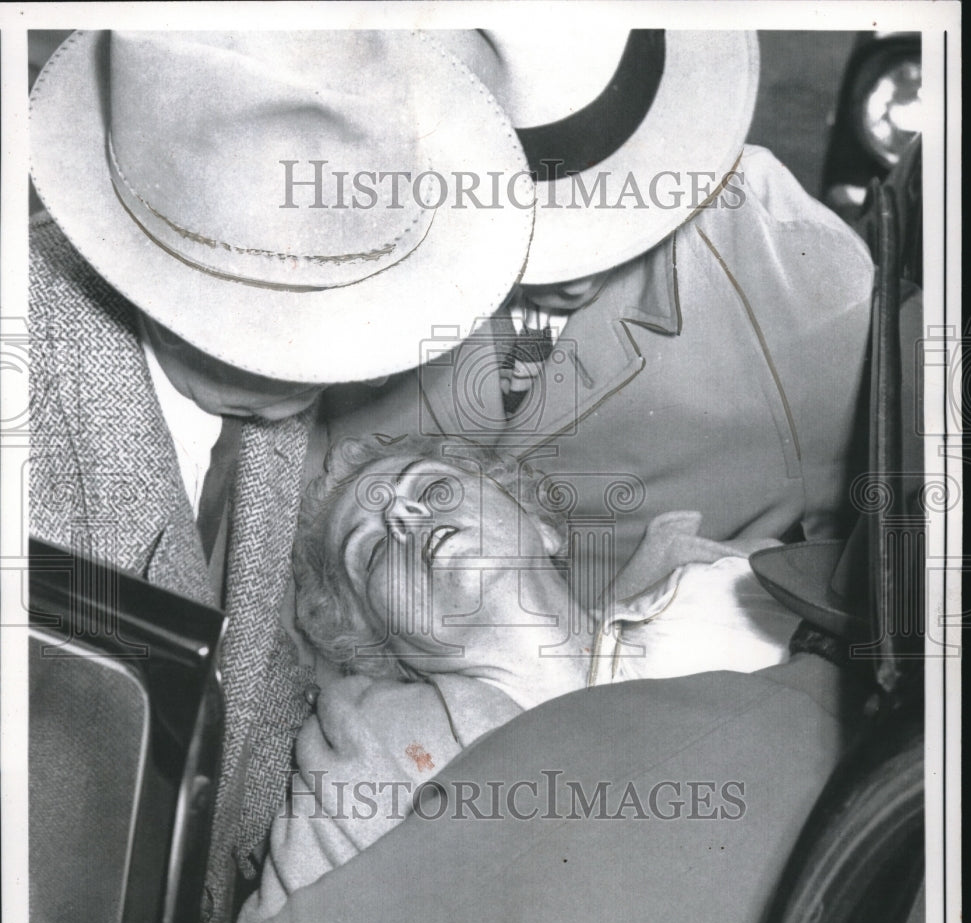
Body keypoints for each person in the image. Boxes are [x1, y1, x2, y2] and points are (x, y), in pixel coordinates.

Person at [27, 29, 534, 923]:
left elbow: (253, 691)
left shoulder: (271, 356)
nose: (318, 359)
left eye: (337, 306)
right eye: (263, 319)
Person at [315, 29, 875, 594]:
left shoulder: (784, 263)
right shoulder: (350, 223)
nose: (577, 268)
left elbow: (860, 563)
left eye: (605, 202)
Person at [233, 437, 803, 923]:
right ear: (380, 648)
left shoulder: (736, 597)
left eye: (433, 491)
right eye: (375, 549)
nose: (406, 521)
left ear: (540, 524)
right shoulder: (367, 755)